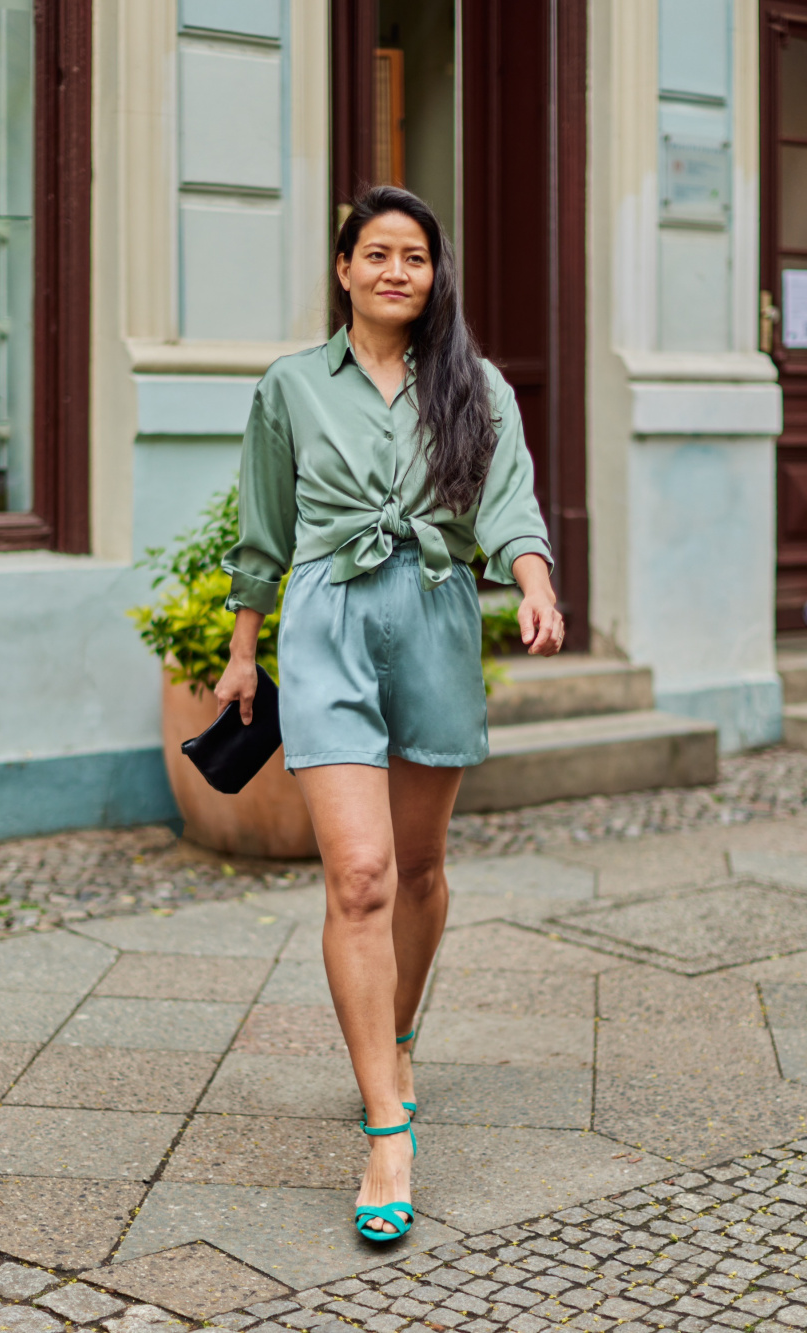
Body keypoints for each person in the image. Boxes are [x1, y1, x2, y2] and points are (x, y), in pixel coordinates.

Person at [215, 185, 563, 1244]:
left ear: (432, 272)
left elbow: (507, 504)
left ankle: (399, 1031)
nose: (396, 271)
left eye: (414, 255)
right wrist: (241, 650)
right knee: (358, 874)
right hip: (325, 626)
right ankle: (384, 1125)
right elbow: (262, 528)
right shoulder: (289, 387)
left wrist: (534, 581)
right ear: (343, 269)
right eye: (376, 253)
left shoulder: (475, 382)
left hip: (435, 616)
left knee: (418, 868)